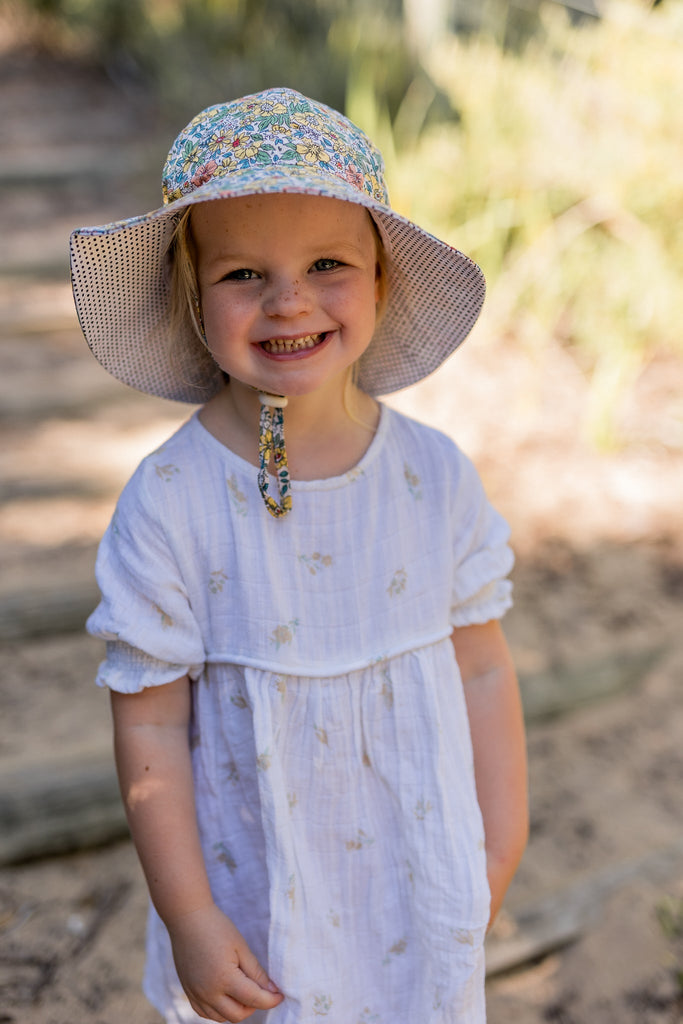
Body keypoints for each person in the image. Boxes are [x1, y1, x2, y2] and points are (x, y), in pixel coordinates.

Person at [70, 87, 528, 1024]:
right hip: (255, 895)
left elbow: (480, 670)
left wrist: (498, 843)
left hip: (418, 873)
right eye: (243, 273)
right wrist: (190, 915)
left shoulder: (432, 478)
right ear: (192, 300)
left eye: (327, 263)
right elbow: (151, 729)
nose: (289, 302)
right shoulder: (170, 500)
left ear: (380, 282)